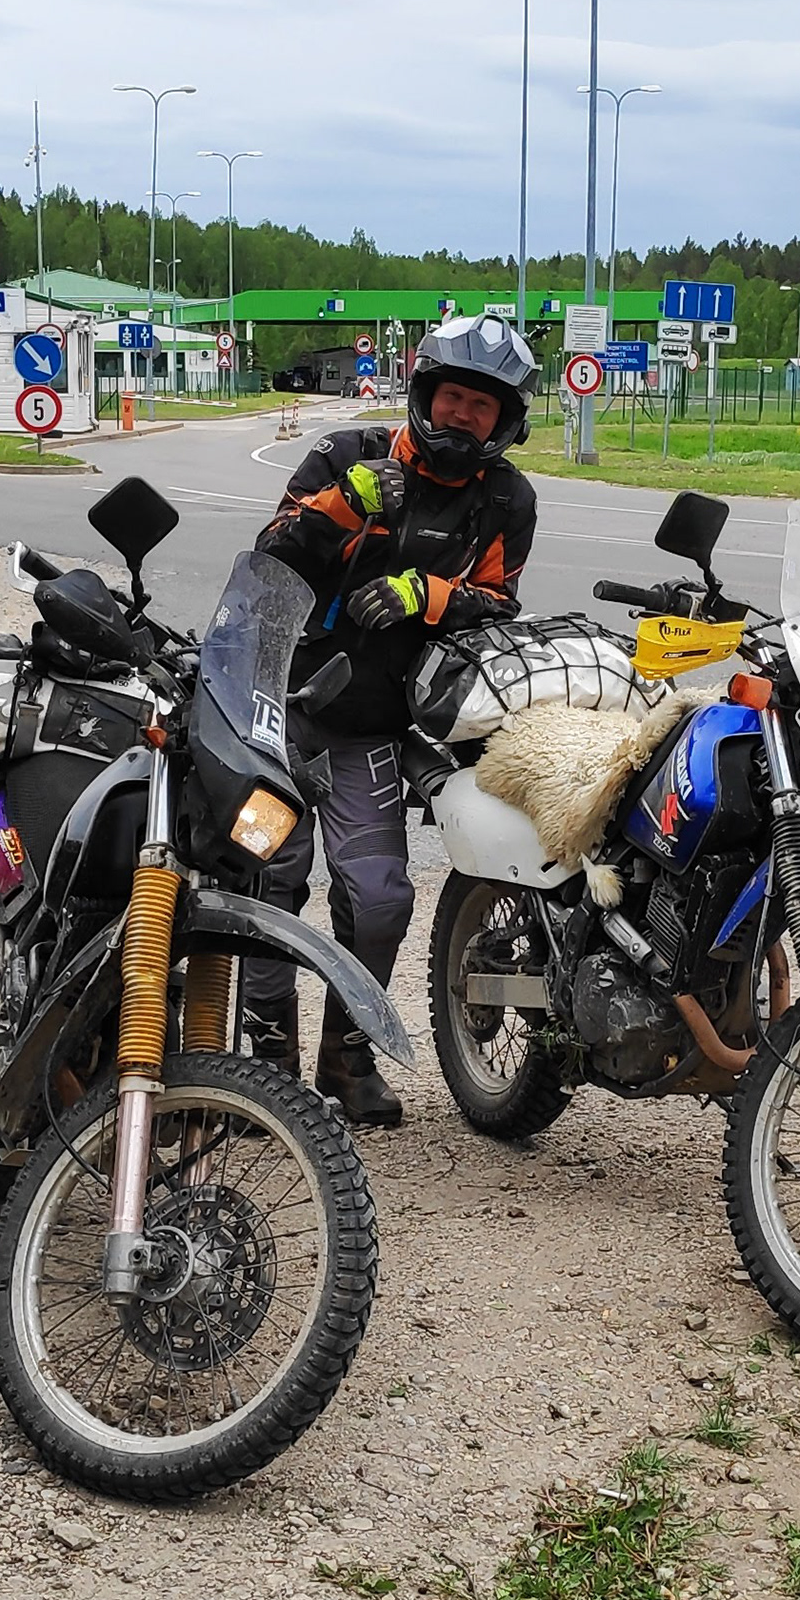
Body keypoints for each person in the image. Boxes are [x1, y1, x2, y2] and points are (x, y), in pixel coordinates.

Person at [246, 311, 542, 1126]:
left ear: (505, 420)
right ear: (425, 393)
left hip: (372, 724)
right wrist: (345, 505)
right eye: (453, 397)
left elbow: (500, 604)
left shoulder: (506, 499)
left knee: (379, 897)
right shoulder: (346, 453)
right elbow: (268, 555)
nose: (463, 415)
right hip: (274, 709)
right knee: (269, 876)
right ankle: (263, 1055)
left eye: (482, 406)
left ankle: (347, 1056)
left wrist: (430, 594)